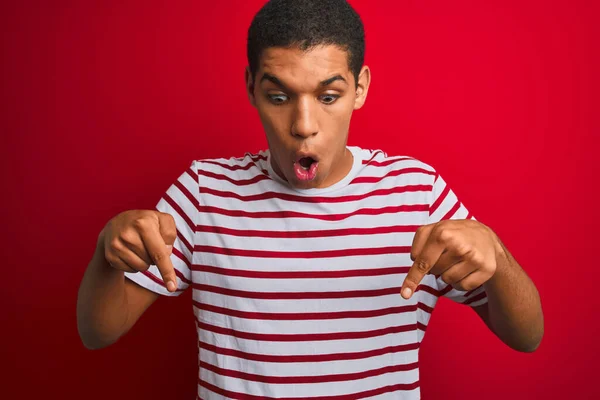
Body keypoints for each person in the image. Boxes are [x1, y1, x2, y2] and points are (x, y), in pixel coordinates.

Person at [76, 0, 544, 398]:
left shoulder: (416, 190)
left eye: (328, 96)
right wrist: (106, 254)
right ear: (251, 88)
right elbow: (97, 333)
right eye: (279, 97)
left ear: (359, 88)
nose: (303, 125)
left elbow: (527, 337)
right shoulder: (204, 192)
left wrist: (496, 254)